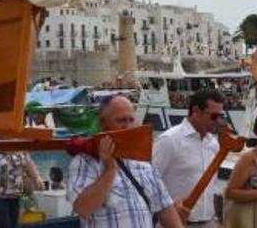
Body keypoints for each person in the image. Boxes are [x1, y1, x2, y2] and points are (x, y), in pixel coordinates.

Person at [67, 95, 183, 228]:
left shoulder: (143, 164)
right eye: (121, 120)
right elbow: (82, 208)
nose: (127, 127)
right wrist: (109, 171)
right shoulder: (84, 162)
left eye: (131, 120)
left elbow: (165, 209)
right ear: (103, 123)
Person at [153, 89, 226, 227]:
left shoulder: (213, 144)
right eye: (214, 116)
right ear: (196, 111)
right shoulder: (170, 140)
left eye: (221, 116)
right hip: (176, 223)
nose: (219, 121)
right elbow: (149, 183)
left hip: (209, 221)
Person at [0, 152, 44, 228]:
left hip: (15, 194)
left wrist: (37, 178)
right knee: (5, 225)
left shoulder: (20, 147)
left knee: (13, 224)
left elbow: (28, 163)